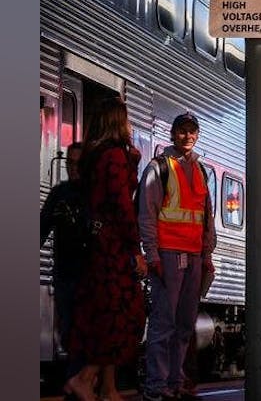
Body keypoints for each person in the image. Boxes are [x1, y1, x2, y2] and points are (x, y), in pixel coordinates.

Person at [62, 99, 147, 401]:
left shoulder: (95, 155)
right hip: (112, 247)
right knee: (126, 314)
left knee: (107, 313)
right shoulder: (113, 156)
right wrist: (135, 248)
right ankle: (84, 378)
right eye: (126, 119)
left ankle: (109, 389)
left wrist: (133, 161)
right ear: (116, 121)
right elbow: (122, 204)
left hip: (99, 246)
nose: (130, 125)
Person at [138, 112, 215, 401]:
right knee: (163, 322)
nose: (187, 136)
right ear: (172, 134)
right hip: (168, 255)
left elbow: (206, 215)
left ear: (197, 135)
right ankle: (156, 386)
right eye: (182, 131)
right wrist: (152, 253)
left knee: (184, 323)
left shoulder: (201, 170)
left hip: (194, 255)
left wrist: (207, 254)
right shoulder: (159, 167)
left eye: (192, 131)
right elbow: (147, 212)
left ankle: (174, 381)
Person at [39, 142, 86, 387]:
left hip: (90, 276)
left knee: (82, 331)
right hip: (65, 274)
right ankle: (75, 381)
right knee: (68, 330)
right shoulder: (59, 195)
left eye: (79, 163)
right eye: (70, 162)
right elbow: (41, 228)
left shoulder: (95, 196)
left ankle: (76, 382)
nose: (74, 168)